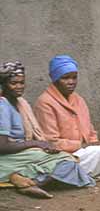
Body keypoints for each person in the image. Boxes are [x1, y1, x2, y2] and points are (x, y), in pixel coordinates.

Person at [0, 61, 94, 198]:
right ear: (3, 85)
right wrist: (36, 144)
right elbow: (2, 146)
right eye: (13, 83)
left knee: (67, 162)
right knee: (67, 162)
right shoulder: (2, 106)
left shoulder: (20, 103)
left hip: (22, 152)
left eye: (22, 83)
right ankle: (31, 183)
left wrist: (39, 146)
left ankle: (19, 177)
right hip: (7, 156)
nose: (19, 87)